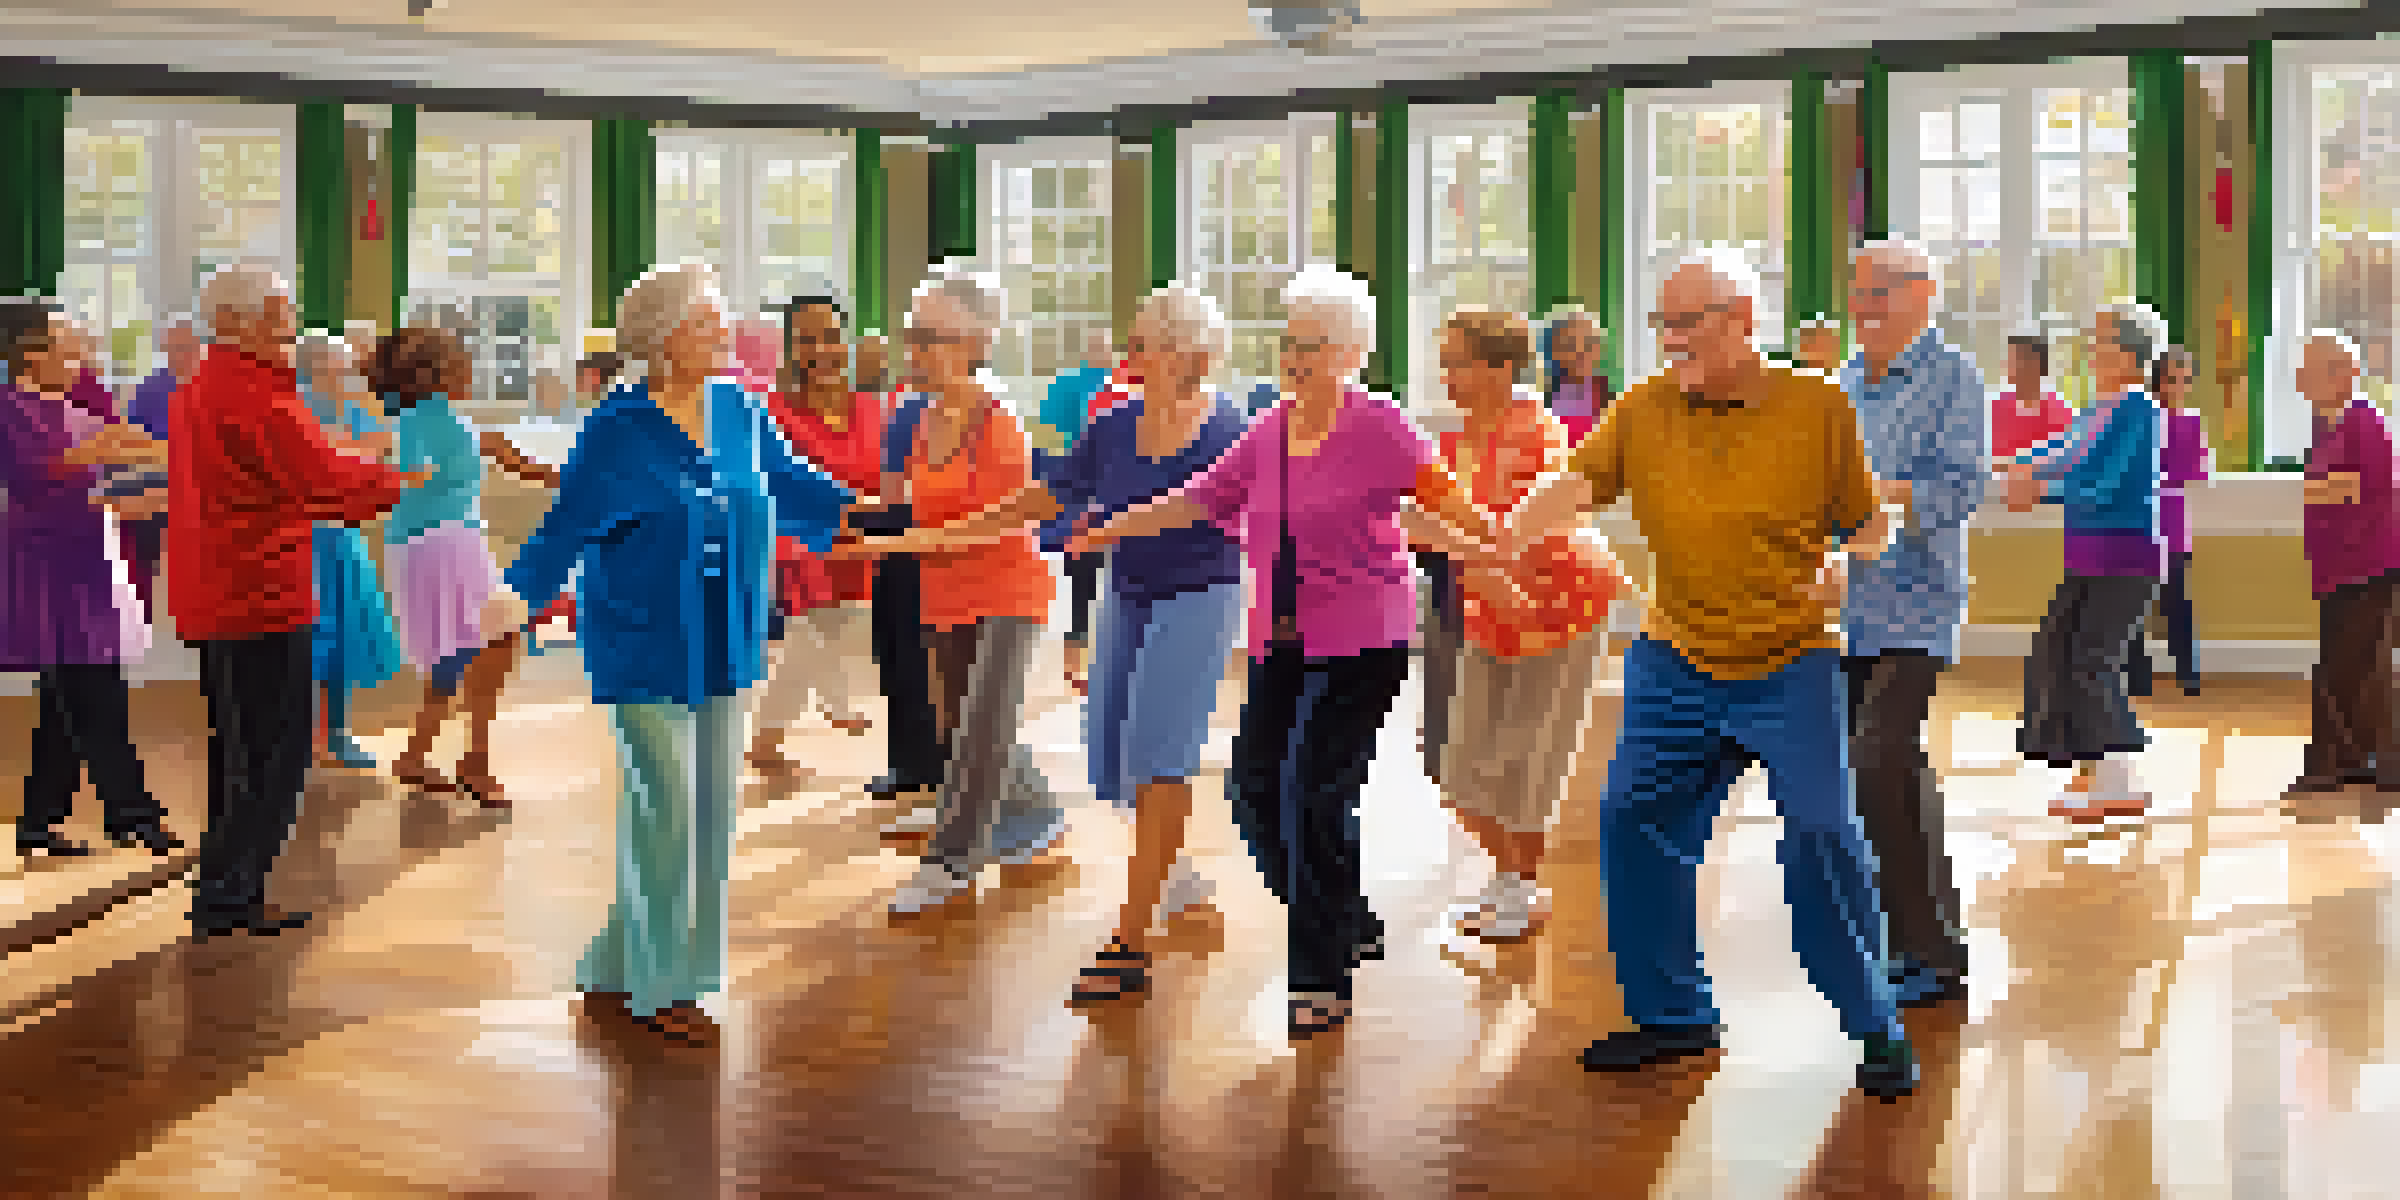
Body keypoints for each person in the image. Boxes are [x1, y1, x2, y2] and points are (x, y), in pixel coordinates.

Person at [1502, 250, 1918, 1100]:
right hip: (1677, 656)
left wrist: (1847, 558)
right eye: (1664, 323)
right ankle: (1675, 1015)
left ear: (1743, 321)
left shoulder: (1818, 407)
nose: (1672, 341)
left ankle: (1876, 1023)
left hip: (1789, 662)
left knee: (1820, 836)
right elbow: (1578, 484)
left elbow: (1875, 525)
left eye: (1689, 323)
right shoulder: (1646, 409)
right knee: (1631, 817)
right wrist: (1508, 532)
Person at [1073, 266, 1496, 1039]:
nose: (1294, 359)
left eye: (1311, 346)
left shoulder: (1379, 424)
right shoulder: (1269, 429)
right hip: (1283, 638)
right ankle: (1340, 914)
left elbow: (1441, 498)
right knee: (1251, 787)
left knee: (1313, 793)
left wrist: (1497, 543)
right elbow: (1202, 495)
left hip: (1366, 639)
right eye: (1288, 345)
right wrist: (1112, 526)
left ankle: (1319, 974)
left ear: (1349, 352)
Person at [484, 262, 852, 1047]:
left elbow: (789, 481)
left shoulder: (741, 409)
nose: (724, 332)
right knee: (668, 807)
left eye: (721, 319)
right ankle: (666, 985)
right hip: (643, 638)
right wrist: (517, 595)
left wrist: (867, 514)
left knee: (706, 808)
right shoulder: (617, 427)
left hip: (727, 635)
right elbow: (566, 524)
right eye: (705, 322)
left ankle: (619, 959)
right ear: (660, 339)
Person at [989, 286, 1250, 1004]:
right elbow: (1058, 491)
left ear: (1188, 356)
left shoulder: (1230, 429)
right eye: (1132, 344)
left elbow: (1204, 510)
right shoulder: (1111, 424)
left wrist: (1106, 530)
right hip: (1129, 595)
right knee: (1109, 758)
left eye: (1142, 346)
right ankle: (1175, 872)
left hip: (1200, 595)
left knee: (1159, 758)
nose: (1127, 357)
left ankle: (1130, 941)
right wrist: (975, 524)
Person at [159, 265, 424, 937]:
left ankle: (223, 887)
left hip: (218, 588)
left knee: (237, 752)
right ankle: (232, 896)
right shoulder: (257, 397)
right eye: (279, 308)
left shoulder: (199, 390)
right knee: (275, 756)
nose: (291, 316)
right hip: (260, 590)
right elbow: (323, 481)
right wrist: (397, 481)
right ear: (237, 322)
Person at [831, 272, 1070, 914]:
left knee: (980, 729)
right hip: (945, 588)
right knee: (964, 725)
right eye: (914, 337)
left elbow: (992, 523)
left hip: (1008, 589)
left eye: (930, 339)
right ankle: (1037, 814)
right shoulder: (920, 419)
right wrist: (839, 516)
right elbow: (907, 503)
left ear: (975, 341)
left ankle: (950, 861)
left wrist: (887, 546)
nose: (916, 353)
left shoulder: (1000, 423)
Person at [1413, 307, 1622, 943]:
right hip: (1490, 609)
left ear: (1502, 368)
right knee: (1461, 762)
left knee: (1531, 758)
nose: (1449, 375)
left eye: (1461, 363)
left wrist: (1481, 566)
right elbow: (1458, 530)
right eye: (1444, 362)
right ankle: (1513, 881)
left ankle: (1519, 886)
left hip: (1559, 611)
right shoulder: (1461, 435)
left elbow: (1531, 530)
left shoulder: (1538, 431)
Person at [1838, 241, 1989, 1013]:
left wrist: (1877, 493)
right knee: (1893, 774)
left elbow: (1962, 489)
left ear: (1923, 294)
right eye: (1857, 293)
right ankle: (1928, 948)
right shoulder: (1842, 382)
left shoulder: (1954, 376)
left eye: (1879, 293)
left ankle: (1922, 948)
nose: (1862, 307)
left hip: (1918, 598)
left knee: (1879, 757)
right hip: (1847, 605)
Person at [3, 299, 180, 859]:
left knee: (68, 693)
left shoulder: (72, 410)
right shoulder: (9, 408)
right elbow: (33, 478)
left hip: (86, 563)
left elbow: (137, 450)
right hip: (48, 569)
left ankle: (39, 820)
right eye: (63, 346)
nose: (76, 358)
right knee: (94, 688)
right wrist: (96, 453)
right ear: (30, 355)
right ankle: (132, 815)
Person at [1999, 304, 2169, 821]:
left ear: (2131, 353)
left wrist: (2041, 492)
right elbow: (2063, 451)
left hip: (2126, 557)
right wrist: (2016, 466)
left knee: (2092, 661)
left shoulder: (2140, 410)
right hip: (2090, 558)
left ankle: (2116, 776)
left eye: (2102, 340)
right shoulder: (2099, 409)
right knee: (2058, 653)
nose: (2092, 349)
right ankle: (2094, 768)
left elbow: (2107, 485)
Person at [371, 325, 524, 809]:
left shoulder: (437, 416)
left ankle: (422, 756)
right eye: (464, 360)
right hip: (438, 541)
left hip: (446, 540)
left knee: (463, 651)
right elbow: (411, 474)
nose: (473, 368)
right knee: (492, 638)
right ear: (436, 371)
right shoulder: (422, 419)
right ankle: (469, 760)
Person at [751, 295, 884, 773]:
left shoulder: (875, 410)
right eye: (807, 339)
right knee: (817, 624)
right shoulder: (773, 413)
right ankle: (766, 739)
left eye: (830, 336)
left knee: (833, 627)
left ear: (845, 342)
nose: (821, 349)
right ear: (791, 349)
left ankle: (836, 703)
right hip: (799, 543)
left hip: (863, 542)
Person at [2287, 332, 2397, 812]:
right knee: (2347, 665)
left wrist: (2287, 494)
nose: (2299, 376)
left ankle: (2348, 765)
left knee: (2358, 667)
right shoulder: (2328, 425)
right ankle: (2352, 761)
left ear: (2344, 373)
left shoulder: (2364, 423)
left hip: (2367, 564)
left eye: (2309, 367)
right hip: (2342, 565)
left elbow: (2349, 487)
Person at [299, 332, 409, 770]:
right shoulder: (302, 408)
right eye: (343, 365)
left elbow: (383, 462)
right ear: (321, 367)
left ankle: (333, 735)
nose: (352, 372)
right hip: (312, 539)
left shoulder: (353, 410)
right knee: (316, 639)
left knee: (342, 637)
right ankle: (313, 738)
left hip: (341, 535)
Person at [2127, 346, 2208, 699]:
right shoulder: (2137, 420)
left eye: (2183, 378)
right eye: (2170, 377)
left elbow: (2196, 471)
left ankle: (2188, 673)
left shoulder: (2191, 422)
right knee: (2133, 607)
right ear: (2156, 380)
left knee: (2177, 603)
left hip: (2173, 525)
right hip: (2137, 523)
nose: (2176, 385)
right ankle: (2136, 677)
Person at [1040, 326, 1116, 693]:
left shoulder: (1123, 387)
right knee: (1086, 585)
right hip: (1087, 500)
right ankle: (1078, 664)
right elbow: (1050, 445)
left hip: (1105, 499)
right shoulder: (1073, 386)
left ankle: (1085, 664)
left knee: (1091, 587)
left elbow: (1048, 445)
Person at [1991, 334, 2073, 460]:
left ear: (2039, 366)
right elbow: (1998, 458)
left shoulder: (2057, 409)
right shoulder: (2000, 407)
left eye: (2021, 361)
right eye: (2011, 361)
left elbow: (2062, 454)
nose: (2013, 368)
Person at [1541, 308, 1612, 445]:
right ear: (1557, 352)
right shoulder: (1550, 403)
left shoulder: (1607, 392)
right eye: (1571, 345)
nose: (1581, 351)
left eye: (1588, 343)